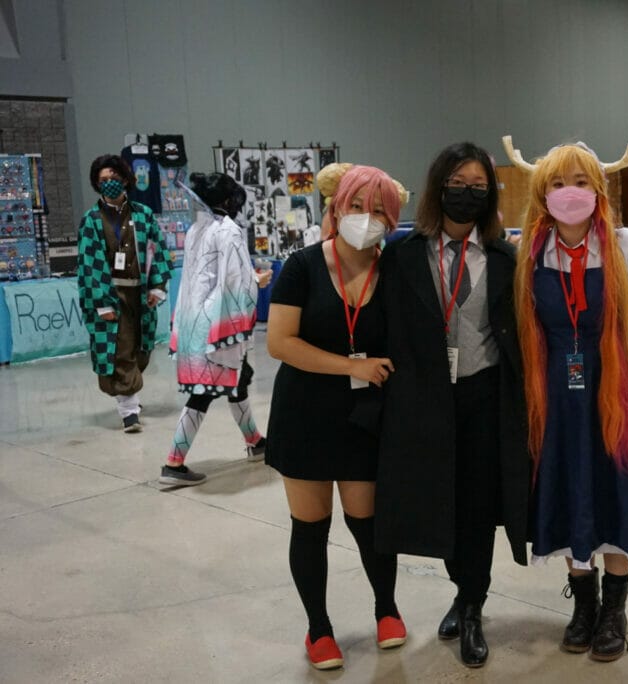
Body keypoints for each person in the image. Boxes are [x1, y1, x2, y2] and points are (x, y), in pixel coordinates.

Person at [504, 136, 628, 662]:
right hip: (553, 398)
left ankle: (613, 613)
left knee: (617, 498)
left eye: (580, 181)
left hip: (617, 394)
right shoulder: (528, 250)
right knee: (568, 493)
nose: (569, 192)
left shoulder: (626, 246)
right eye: (557, 183)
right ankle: (582, 605)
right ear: (541, 192)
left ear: (598, 188)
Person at [375, 142, 531, 668]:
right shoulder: (400, 257)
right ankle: (460, 589)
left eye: (479, 186)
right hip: (424, 402)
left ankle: (472, 608)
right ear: (439, 186)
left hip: (485, 398)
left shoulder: (506, 258)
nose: (468, 193)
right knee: (441, 501)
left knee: (479, 508)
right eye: (459, 183)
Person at [265, 164, 409, 670]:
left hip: (365, 417)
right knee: (310, 527)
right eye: (356, 206)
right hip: (304, 414)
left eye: (377, 210)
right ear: (335, 207)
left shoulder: (392, 269)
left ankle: (386, 609)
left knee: (369, 524)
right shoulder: (302, 266)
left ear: (391, 219)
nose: (365, 218)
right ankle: (318, 629)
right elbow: (280, 342)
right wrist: (352, 366)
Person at [159, 173, 273, 487]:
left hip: (194, 321)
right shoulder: (229, 231)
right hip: (216, 325)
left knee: (239, 379)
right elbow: (237, 281)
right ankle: (174, 461)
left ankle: (255, 440)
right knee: (204, 392)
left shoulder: (197, 228)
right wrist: (258, 281)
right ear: (229, 201)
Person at [76, 154, 172, 432]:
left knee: (139, 350)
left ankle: (129, 393)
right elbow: (88, 264)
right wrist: (101, 303)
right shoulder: (91, 220)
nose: (110, 184)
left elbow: (158, 250)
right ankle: (129, 411)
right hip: (110, 293)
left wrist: (157, 286)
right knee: (119, 349)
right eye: (103, 180)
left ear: (126, 180)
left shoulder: (143, 214)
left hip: (139, 295)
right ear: (96, 184)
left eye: (114, 179)